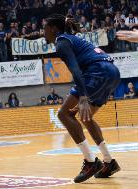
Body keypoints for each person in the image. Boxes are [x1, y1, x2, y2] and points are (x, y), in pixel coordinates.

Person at [44, 14, 121, 183]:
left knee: (64, 114)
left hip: (97, 72)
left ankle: (90, 161)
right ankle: (109, 162)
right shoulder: (71, 39)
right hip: (112, 71)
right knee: (86, 118)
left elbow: (76, 71)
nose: (43, 33)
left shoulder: (62, 42)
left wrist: (84, 97)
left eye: (45, 29)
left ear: (54, 29)